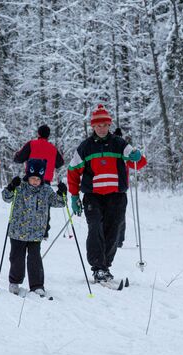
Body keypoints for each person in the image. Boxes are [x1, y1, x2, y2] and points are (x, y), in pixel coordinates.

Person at [67, 104, 143, 283]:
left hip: (116, 196)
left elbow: (137, 162)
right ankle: (98, 267)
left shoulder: (119, 143)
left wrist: (137, 156)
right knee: (95, 228)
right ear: (93, 126)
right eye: (98, 125)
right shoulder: (85, 147)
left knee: (113, 231)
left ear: (109, 125)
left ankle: (105, 266)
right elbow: (72, 171)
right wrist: (74, 196)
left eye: (105, 125)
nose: (102, 128)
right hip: (93, 195)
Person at [2, 159, 67, 297]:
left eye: (38, 178)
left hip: (36, 233)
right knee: (16, 258)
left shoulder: (46, 190)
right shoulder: (20, 187)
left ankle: (37, 285)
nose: (35, 181)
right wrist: (11, 186)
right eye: (32, 178)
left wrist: (62, 193)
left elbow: (59, 203)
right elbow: (6, 198)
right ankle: (14, 282)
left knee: (35, 260)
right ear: (28, 176)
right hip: (18, 232)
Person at [14, 124, 65, 238]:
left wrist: (16, 156)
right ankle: (44, 230)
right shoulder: (52, 148)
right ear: (48, 135)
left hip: (31, 180)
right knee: (44, 206)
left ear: (38, 133)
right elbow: (60, 163)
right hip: (45, 180)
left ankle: (26, 227)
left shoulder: (31, 144)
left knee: (27, 204)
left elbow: (19, 158)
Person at [114, 128, 147, 248]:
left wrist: (136, 156)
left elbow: (139, 163)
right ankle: (118, 239)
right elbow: (138, 164)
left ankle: (117, 239)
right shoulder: (122, 149)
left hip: (118, 187)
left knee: (117, 215)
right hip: (121, 186)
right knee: (120, 215)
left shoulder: (124, 150)